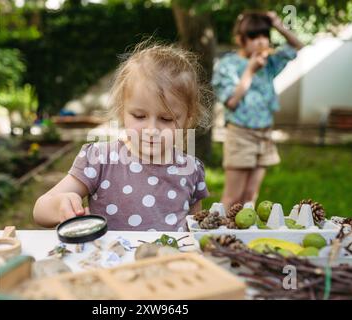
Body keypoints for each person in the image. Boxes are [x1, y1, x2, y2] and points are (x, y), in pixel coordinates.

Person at [33, 43, 211, 231]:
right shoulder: (99, 159)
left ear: (188, 120)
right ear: (122, 111)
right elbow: (40, 211)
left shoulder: (191, 169)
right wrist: (60, 205)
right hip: (112, 259)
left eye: (166, 119)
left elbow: (195, 230)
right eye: (139, 116)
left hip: (167, 259)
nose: (151, 130)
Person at [212, 11, 304, 211]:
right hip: (240, 134)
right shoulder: (229, 65)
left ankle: (241, 240)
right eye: (254, 37)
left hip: (264, 134)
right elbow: (232, 102)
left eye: (264, 35)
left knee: (250, 197)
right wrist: (250, 71)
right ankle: (217, 237)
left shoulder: (269, 63)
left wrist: (277, 25)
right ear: (240, 39)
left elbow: (297, 45)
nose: (261, 42)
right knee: (232, 197)